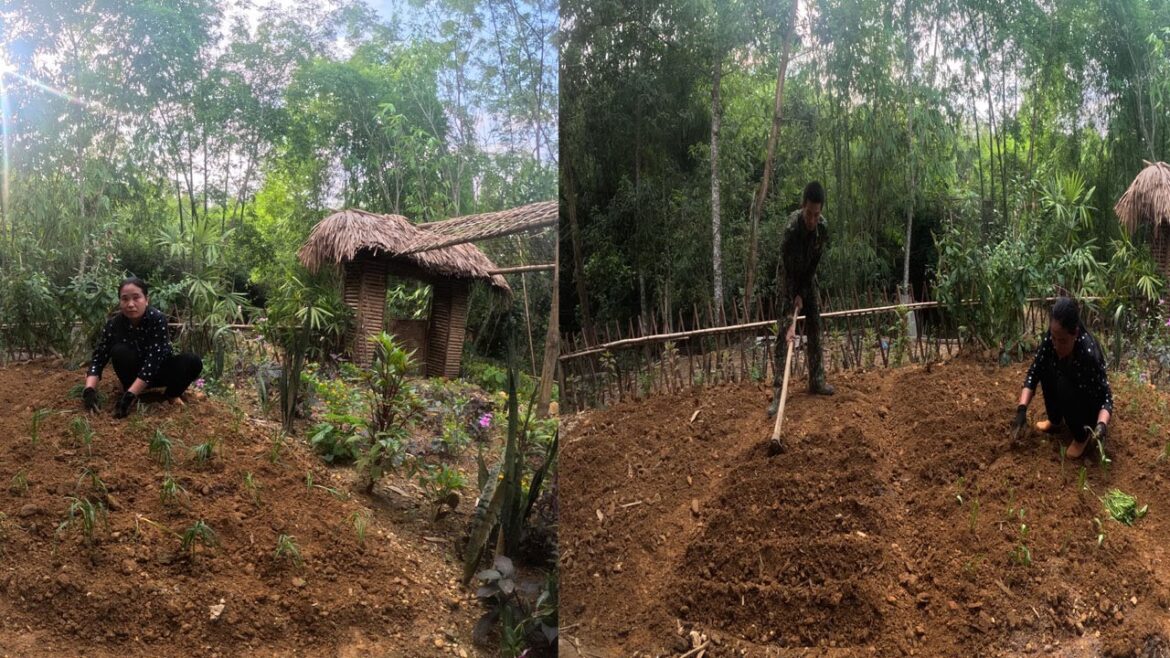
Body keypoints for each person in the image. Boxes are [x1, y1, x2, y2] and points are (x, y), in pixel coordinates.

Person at [81, 277, 203, 418]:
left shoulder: (157, 319)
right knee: (119, 351)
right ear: (120, 302)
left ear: (146, 299)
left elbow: (154, 360)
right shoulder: (113, 325)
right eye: (125, 299)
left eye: (136, 298)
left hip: (158, 371)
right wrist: (89, 389)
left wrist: (130, 396)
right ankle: (130, 389)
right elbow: (99, 357)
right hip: (132, 373)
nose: (130, 304)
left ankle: (171, 394)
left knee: (193, 361)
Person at [1009, 297, 1112, 458]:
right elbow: (1034, 372)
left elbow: (1106, 396)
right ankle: (1055, 420)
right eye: (1054, 338)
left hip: (1088, 403)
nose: (1056, 344)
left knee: (1063, 383)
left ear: (1075, 333)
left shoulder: (1088, 353)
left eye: (1062, 340)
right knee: (1046, 368)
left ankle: (1081, 436)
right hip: (1069, 390)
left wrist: (1101, 425)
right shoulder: (1052, 339)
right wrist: (1021, 410)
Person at [768, 181, 834, 418]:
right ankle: (779, 394)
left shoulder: (822, 229)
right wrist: (791, 314)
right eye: (809, 214)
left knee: (815, 323)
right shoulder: (790, 231)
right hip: (788, 279)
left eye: (817, 215)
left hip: (807, 277)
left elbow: (814, 265)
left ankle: (816, 380)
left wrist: (804, 293)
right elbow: (786, 271)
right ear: (802, 206)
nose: (812, 220)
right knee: (785, 333)